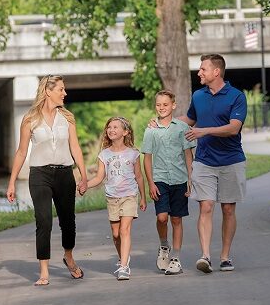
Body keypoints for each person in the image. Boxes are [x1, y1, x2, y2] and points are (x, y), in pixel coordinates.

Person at [6, 75, 88, 286]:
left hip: (64, 173)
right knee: (43, 221)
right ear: (48, 91)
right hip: (39, 175)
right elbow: (21, 152)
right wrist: (12, 182)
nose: (65, 93)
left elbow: (75, 147)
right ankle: (44, 271)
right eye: (61, 89)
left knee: (68, 222)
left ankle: (68, 256)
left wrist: (84, 175)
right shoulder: (29, 119)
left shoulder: (68, 118)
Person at [182, 54, 246, 273]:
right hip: (204, 161)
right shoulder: (198, 96)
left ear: (216, 72)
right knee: (206, 206)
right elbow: (189, 120)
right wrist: (162, 119)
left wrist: (204, 131)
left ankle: (225, 257)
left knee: (228, 209)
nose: (199, 73)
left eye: (202, 69)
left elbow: (233, 128)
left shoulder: (237, 96)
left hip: (231, 161)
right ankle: (205, 256)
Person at [141, 90, 196, 275]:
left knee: (177, 219)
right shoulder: (151, 130)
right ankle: (164, 245)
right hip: (160, 179)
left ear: (173, 105)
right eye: (158, 105)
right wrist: (151, 183)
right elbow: (147, 158)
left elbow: (188, 154)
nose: (162, 108)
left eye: (165, 104)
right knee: (162, 217)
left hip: (180, 179)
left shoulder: (182, 128)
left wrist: (190, 178)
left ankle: (176, 258)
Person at [87, 116, 147, 280]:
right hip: (112, 197)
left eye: (115, 127)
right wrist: (84, 184)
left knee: (124, 230)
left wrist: (143, 197)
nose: (111, 130)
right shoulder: (104, 155)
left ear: (125, 132)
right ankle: (124, 257)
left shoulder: (133, 153)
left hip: (129, 195)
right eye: (109, 127)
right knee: (115, 234)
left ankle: (124, 267)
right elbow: (99, 178)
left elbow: (139, 177)